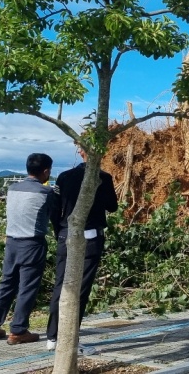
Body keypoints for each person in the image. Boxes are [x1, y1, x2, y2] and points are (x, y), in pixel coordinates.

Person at [45, 147, 119, 351]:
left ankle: (52, 336)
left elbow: (54, 208)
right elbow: (112, 207)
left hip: (65, 235)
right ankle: (70, 339)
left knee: (61, 285)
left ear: (80, 152)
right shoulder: (103, 177)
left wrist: (58, 231)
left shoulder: (64, 176)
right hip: (90, 237)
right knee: (81, 289)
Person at [0, 153, 56, 345]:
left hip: (12, 242)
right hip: (32, 243)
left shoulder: (13, 188)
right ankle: (18, 331)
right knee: (27, 288)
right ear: (46, 171)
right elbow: (55, 214)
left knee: (6, 284)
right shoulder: (46, 192)